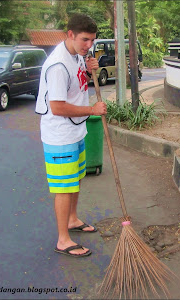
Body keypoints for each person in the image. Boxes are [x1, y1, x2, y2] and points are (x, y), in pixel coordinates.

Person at [35, 13, 107, 257]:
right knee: (64, 187)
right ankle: (63, 240)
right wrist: (92, 109)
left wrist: (87, 71)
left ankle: (72, 220)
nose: (89, 46)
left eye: (92, 41)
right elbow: (57, 107)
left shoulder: (76, 55)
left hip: (76, 129)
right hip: (60, 134)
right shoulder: (57, 65)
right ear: (70, 35)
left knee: (75, 178)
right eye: (85, 40)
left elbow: (76, 83)